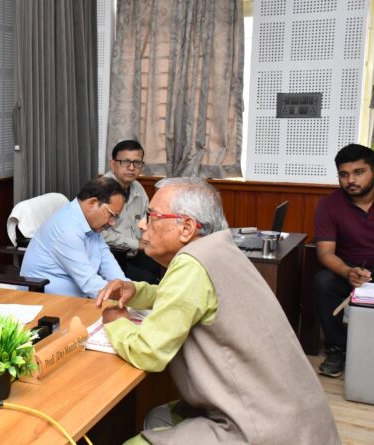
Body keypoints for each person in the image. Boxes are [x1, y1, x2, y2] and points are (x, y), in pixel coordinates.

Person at [97, 177, 339, 444]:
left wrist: (116, 321)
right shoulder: (218, 249)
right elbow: (186, 300)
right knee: (159, 416)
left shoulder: (191, 264)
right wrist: (137, 291)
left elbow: (147, 352)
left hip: (259, 428)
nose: (142, 224)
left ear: (186, 228)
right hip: (294, 417)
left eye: (151, 216)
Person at [313, 143, 374, 378]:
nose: (351, 180)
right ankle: (337, 348)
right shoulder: (329, 205)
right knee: (323, 281)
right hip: (348, 268)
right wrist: (349, 272)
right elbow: (325, 253)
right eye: (344, 174)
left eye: (359, 172)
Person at [20, 177, 127, 298]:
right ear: (92, 203)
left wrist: (127, 286)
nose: (112, 223)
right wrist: (126, 296)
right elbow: (90, 284)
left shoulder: (90, 224)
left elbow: (107, 262)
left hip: (76, 297)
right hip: (43, 299)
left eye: (116, 218)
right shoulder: (67, 229)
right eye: (111, 215)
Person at [102, 140, 161, 283]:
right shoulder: (101, 189)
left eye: (137, 162)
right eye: (125, 162)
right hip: (109, 255)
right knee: (148, 280)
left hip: (136, 251)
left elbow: (147, 220)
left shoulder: (138, 188)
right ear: (113, 164)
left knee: (166, 262)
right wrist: (136, 244)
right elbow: (97, 235)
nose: (131, 168)